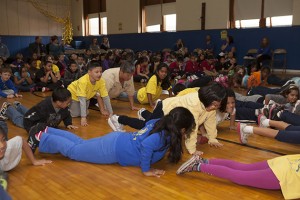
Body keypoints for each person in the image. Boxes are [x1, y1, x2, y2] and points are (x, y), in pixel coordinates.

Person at [27, 107, 195, 177]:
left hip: (117, 141)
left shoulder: (160, 123)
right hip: (113, 149)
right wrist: (146, 170)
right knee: (75, 152)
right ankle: (40, 137)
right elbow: (146, 145)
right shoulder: (162, 136)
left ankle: (48, 130)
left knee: (80, 144)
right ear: (179, 129)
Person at [108, 83, 227, 154]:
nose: (214, 108)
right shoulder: (193, 104)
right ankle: (118, 118)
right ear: (206, 98)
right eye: (213, 105)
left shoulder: (210, 105)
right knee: (147, 128)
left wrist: (212, 138)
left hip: (175, 114)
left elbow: (210, 121)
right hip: (165, 110)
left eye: (217, 105)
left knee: (149, 124)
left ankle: (144, 113)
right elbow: (192, 127)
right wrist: (192, 150)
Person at [176, 154, 300, 200]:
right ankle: (197, 166)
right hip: (288, 174)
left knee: (243, 168)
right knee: (240, 176)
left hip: (288, 161)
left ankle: (203, 161)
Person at [0, 88, 77, 132]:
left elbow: (67, 115)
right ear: (59, 102)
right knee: (20, 119)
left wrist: (68, 123)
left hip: (39, 118)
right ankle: (8, 108)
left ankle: (19, 106)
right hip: (32, 123)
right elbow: (28, 118)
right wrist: (32, 130)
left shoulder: (64, 108)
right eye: (67, 103)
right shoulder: (43, 107)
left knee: (33, 113)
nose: (69, 104)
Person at [67, 60, 112, 126]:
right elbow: (82, 100)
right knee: (75, 115)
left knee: (85, 113)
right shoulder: (83, 81)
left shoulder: (101, 81)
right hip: (73, 96)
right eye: (96, 72)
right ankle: (67, 106)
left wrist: (111, 112)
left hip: (86, 97)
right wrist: (83, 118)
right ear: (89, 72)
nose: (99, 74)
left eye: (100, 72)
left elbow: (105, 97)